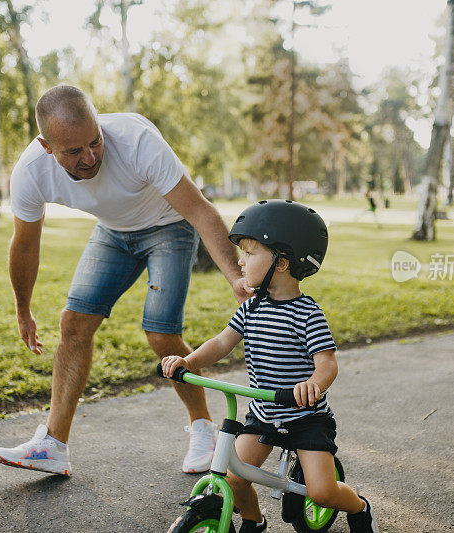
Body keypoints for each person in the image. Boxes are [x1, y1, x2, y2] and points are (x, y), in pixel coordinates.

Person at [0, 86, 251, 476]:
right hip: (113, 231)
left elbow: (199, 210)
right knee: (73, 323)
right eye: (74, 151)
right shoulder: (30, 172)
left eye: (94, 142)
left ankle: (204, 429)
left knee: (161, 333)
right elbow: (25, 245)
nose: (90, 156)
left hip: (169, 225)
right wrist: (22, 309)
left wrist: (234, 276)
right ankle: (52, 446)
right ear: (47, 147)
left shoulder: (136, 140)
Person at [161, 200, 378, 533]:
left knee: (321, 492)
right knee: (234, 479)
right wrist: (186, 361)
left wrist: (313, 386)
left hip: (306, 417)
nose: (240, 260)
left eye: (249, 253)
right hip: (265, 413)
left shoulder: (307, 313)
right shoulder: (251, 309)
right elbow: (221, 344)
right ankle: (254, 520)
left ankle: (359, 507)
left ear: (281, 262)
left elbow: (327, 364)